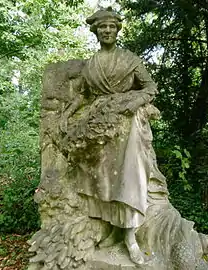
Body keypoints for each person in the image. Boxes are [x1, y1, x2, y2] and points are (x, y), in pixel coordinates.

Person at [61, 7, 160, 265]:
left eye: (111, 27)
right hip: (101, 127)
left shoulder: (130, 59)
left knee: (129, 180)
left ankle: (130, 238)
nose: (107, 31)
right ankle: (115, 230)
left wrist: (135, 100)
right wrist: (67, 114)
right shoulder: (91, 64)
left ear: (117, 30)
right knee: (105, 182)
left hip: (127, 125)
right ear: (96, 31)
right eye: (102, 27)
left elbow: (150, 87)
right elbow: (84, 94)